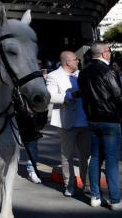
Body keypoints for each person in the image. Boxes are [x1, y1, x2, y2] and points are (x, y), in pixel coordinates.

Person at [79, 42, 122, 211]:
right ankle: (115, 199)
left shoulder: (83, 72)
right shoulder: (108, 71)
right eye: (109, 51)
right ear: (104, 53)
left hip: (92, 119)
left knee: (96, 157)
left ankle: (96, 196)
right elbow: (119, 96)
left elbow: (83, 95)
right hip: (109, 119)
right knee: (111, 161)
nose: (110, 53)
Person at [46, 50, 90, 198]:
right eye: (76, 59)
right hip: (66, 122)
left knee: (86, 155)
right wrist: (69, 96)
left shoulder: (81, 74)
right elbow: (50, 96)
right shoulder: (53, 76)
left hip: (84, 121)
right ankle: (69, 185)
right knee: (67, 156)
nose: (78, 61)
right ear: (67, 62)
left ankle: (87, 185)